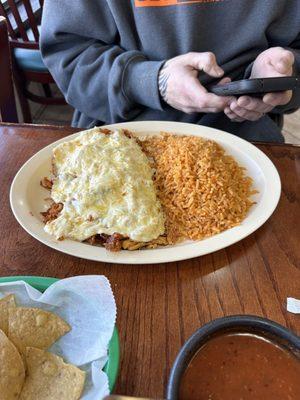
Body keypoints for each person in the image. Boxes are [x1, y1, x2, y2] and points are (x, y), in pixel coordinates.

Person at [40, 0, 300, 142]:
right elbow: (69, 56)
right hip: (117, 141)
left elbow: (295, 56)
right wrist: (150, 81)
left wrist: (285, 76)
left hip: (254, 146)